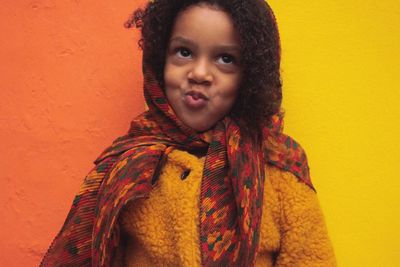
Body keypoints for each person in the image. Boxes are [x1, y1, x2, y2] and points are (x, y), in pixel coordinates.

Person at [41, 0, 336, 266]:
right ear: (160, 59)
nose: (199, 73)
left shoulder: (280, 169)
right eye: (184, 52)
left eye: (225, 59)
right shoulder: (127, 167)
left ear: (250, 74)